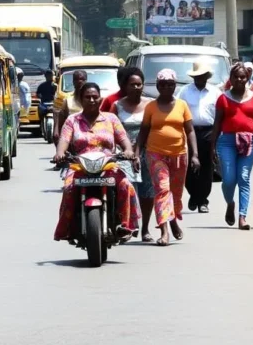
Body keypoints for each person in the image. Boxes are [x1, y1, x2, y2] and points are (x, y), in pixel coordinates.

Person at [52, 82, 139, 241]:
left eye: (95, 97)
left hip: (108, 165)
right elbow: (63, 141)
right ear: (81, 99)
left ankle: (126, 225)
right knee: (68, 188)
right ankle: (67, 228)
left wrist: (128, 151)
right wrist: (60, 153)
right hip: (80, 166)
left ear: (100, 99)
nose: (92, 100)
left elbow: (123, 139)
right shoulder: (72, 120)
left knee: (126, 185)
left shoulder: (111, 119)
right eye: (87, 97)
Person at [136, 69, 199, 246]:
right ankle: (164, 231)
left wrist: (195, 154)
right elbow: (143, 131)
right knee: (162, 190)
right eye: (162, 85)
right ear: (157, 86)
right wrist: (135, 152)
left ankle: (173, 221)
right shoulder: (151, 107)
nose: (166, 88)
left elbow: (190, 130)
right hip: (155, 154)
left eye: (170, 84)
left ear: (174, 86)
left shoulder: (182, 105)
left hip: (179, 155)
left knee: (176, 194)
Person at [211, 63, 253, 230]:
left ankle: (242, 217)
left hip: (249, 141)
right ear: (231, 79)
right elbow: (217, 123)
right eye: (236, 77)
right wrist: (212, 146)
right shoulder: (223, 98)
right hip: (227, 141)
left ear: (247, 78)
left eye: (243, 76)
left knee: (243, 178)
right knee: (228, 179)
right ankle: (230, 203)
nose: (240, 79)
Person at [109, 68, 156, 242]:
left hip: (148, 153)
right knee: (126, 189)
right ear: (124, 86)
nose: (136, 87)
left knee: (147, 192)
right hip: (124, 155)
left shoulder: (151, 104)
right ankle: (127, 226)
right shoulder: (117, 106)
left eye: (139, 84)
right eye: (132, 84)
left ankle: (145, 229)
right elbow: (110, 130)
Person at [177, 60, 221, 213]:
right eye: (197, 76)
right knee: (189, 167)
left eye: (203, 75)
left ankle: (203, 200)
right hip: (189, 131)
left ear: (207, 76)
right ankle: (193, 195)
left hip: (209, 132)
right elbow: (178, 111)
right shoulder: (184, 91)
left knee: (207, 167)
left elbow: (220, 115)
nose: (200, 78)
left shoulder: (215, 92)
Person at [54, 70, 87, 143]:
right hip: (72, 137)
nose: (79, 81)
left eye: (82, 79)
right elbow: (60, 118)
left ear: (86, 81)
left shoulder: (92, 99)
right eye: (76, 79)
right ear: (73, 82)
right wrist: (56, 130)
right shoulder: (68, 100)